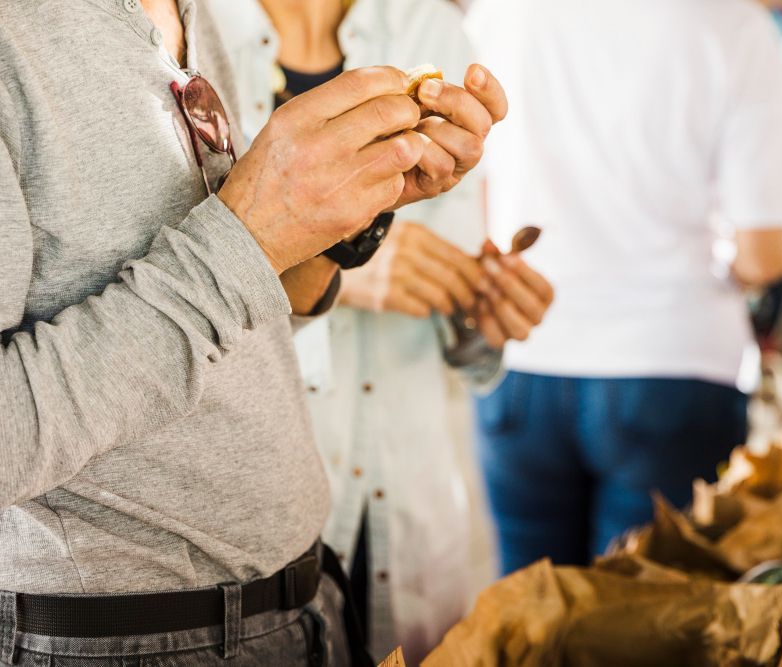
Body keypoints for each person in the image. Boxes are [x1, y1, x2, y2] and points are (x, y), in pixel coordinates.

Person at [0, 0, 508, 665]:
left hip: (299, 608)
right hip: (116, 639)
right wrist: (244, 236)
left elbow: (243, 317)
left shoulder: (189, 10)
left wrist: (350, 210)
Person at [207, 0, 553, 660]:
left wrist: (483, 311)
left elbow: (455, 296)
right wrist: (343, 264)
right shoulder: (191, 30)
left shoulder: (431, 30)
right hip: (255, 522)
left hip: (413, 488)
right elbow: (168, 308)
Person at [466, 0, 782, 575]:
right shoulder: (731, 23)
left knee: (525, 623)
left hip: (521, 356)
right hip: (673, 359)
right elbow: (761, 255)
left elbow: (473, 203)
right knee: (643, 622)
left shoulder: (501, 12)